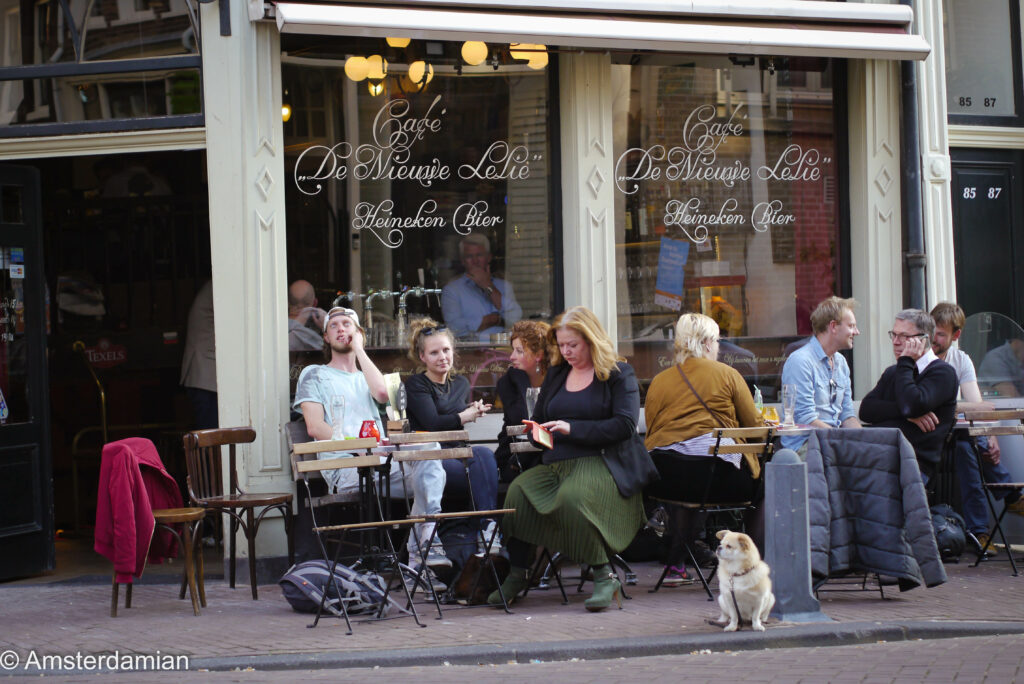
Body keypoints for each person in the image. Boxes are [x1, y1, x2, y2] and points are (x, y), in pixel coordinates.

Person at [488, 306, 644, 612]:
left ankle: (604, 574)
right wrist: (537, 432)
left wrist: (573, 428)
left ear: (591, 339)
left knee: (573, 498)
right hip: (557, 463)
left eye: (573, 345)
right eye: (561, 345)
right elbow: (542, 417)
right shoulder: (559, 373)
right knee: (517, 492)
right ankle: (519, 573)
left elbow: (626, 425)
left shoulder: (618, 374)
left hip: (602, 462)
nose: (566, 351)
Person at [293, 307, 450, 589]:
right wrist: (362, 448)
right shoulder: (314, 374)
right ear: (326, 338)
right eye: (334, 326)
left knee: (430, 453)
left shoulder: (369, 375)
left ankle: (423, 549)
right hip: (346, 469)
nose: (341, 329)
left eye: (348, 325)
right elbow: (315, 427)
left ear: (359, 334)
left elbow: (382, 394)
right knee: (430, 473)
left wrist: (360, 352)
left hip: (382, 466)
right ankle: (423, 556)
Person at [644, 313, 765, 584]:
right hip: (720, 479)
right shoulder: (728, 375)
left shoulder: (659, 381)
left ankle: (676, 565)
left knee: (690, 487)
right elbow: (755, 426)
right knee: (763, 489)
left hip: (667, 482)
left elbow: (652, 430)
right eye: (718, 341)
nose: (719, 347)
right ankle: (752, 567)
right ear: (708, 343)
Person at [930, 303, 1024, 555]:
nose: (933, 339)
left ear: (956, 335)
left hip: (956, 438)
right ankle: (1012, 497)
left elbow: (977, 405)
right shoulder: (920, 357)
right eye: (931, 331)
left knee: (967, 446)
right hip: (927, 437)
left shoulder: (960, 360)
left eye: (940, 334)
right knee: (967, 442)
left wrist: (989, 434)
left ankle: (979, 531)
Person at [403, 318, 501, 551]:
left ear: (453, 351)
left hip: (458, 453)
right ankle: (480, 531)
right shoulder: (417, 385)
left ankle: (488, 528)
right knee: (473, 471)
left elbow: (454, 421)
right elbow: (433, 423)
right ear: (422, 357)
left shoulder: (461, 384)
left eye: (446, 350)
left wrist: (472, 411)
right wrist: (465, 416)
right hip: (431, 461)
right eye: (434, 352)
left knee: (485, 455)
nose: (442, 357)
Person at [859, 309, 959, 481]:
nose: (896, 342)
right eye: (894, 335)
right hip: (881, 456)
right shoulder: (893, 372)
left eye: (904, 336)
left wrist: (906, 361)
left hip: (913, 465)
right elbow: (867, 410)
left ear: (924, 339)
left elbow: (910, 405)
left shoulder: (943, 373)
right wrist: (907, 416)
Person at [779, 296, 862, 453]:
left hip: (834, 443)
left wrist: (866, 441)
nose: (856, 332)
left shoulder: (841, 363)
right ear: (833, 326)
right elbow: (806, 419)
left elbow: (847, 415)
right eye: (851, 326)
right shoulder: (800, 361)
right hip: (806, 446)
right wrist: (843, 441)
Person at [494, 320, 551, 482]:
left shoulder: (556, 379)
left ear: (538, 355)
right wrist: (521, 380)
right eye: (513, 350)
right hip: (514, 455)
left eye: (519, 351)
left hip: (548, 452)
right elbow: (524, 418)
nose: (511, 357)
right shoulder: (508, 382)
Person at [441, 233, 522, 340]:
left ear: (489, 257)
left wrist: (489, 286)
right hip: (470, 351)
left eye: (479, 255)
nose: (475, 261)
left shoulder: (504, 286)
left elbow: (516, 318)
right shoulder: (452, 290)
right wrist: (492, 320)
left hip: (503, 349)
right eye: (469, 256)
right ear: (462, 261)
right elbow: (454, 328)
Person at [180, 279, 217, 429]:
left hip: (204, 375)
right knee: (211, 438)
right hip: (206, 376)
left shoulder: (211, 287)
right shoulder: (220, 284)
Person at [287, 279, 327, 351]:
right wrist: (327, 328)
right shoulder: (312, 339)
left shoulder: (274, 330)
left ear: (287, 302)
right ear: (315, 303)